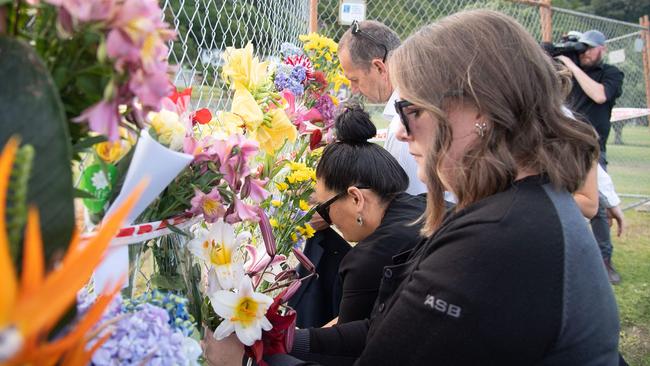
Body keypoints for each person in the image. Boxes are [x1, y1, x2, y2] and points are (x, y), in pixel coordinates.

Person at [205, 10, 620, 365]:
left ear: (482, 112)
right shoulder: (513, 209)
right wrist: (281, 339)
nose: (401, 132)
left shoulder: (499, 237)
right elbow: (383, 328)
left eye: (412, 110)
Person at [311, 104, 425, 324]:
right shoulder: (424, 206)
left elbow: (347, 344)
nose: (327, 220)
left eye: (324, 209)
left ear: (356, 199)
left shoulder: (368, 260)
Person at [557, 29, 625, 283]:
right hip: (562, 146)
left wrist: (571, 67)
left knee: (595, 206)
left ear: (601, 48)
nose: (584, 52)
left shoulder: (610, 73)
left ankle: (603, 260)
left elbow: (599, 95)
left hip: (592, 148)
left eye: (589, 47)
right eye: (580, 48)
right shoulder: (566, 71)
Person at [337, 20, 426, 196]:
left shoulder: (402, 126)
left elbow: (408, 207)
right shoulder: (417, 100)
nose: (353, 89)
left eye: (354, 80)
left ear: (379, 67)